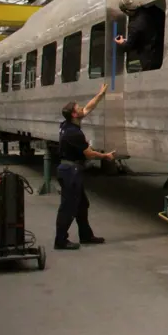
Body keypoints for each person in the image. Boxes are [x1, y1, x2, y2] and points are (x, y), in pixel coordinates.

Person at [55, 84, 115, 250]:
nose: (82, 109)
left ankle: (86, 235)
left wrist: (100, 94)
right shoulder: (74, 133)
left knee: (82, 204)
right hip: (70, 172)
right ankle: (60, 240)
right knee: (68, 207)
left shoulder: (67, 125)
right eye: (78, 108)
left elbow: (89, 107)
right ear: (74, 114)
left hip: (70, 170)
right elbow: (88, 154)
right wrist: (105, 156)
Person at [114, 0, 165, 72]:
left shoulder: (135, 25)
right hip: (160, 52)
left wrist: (122, 42)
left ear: (127, 11)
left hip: (149, 58)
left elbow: (128, 46)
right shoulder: (152, 12)